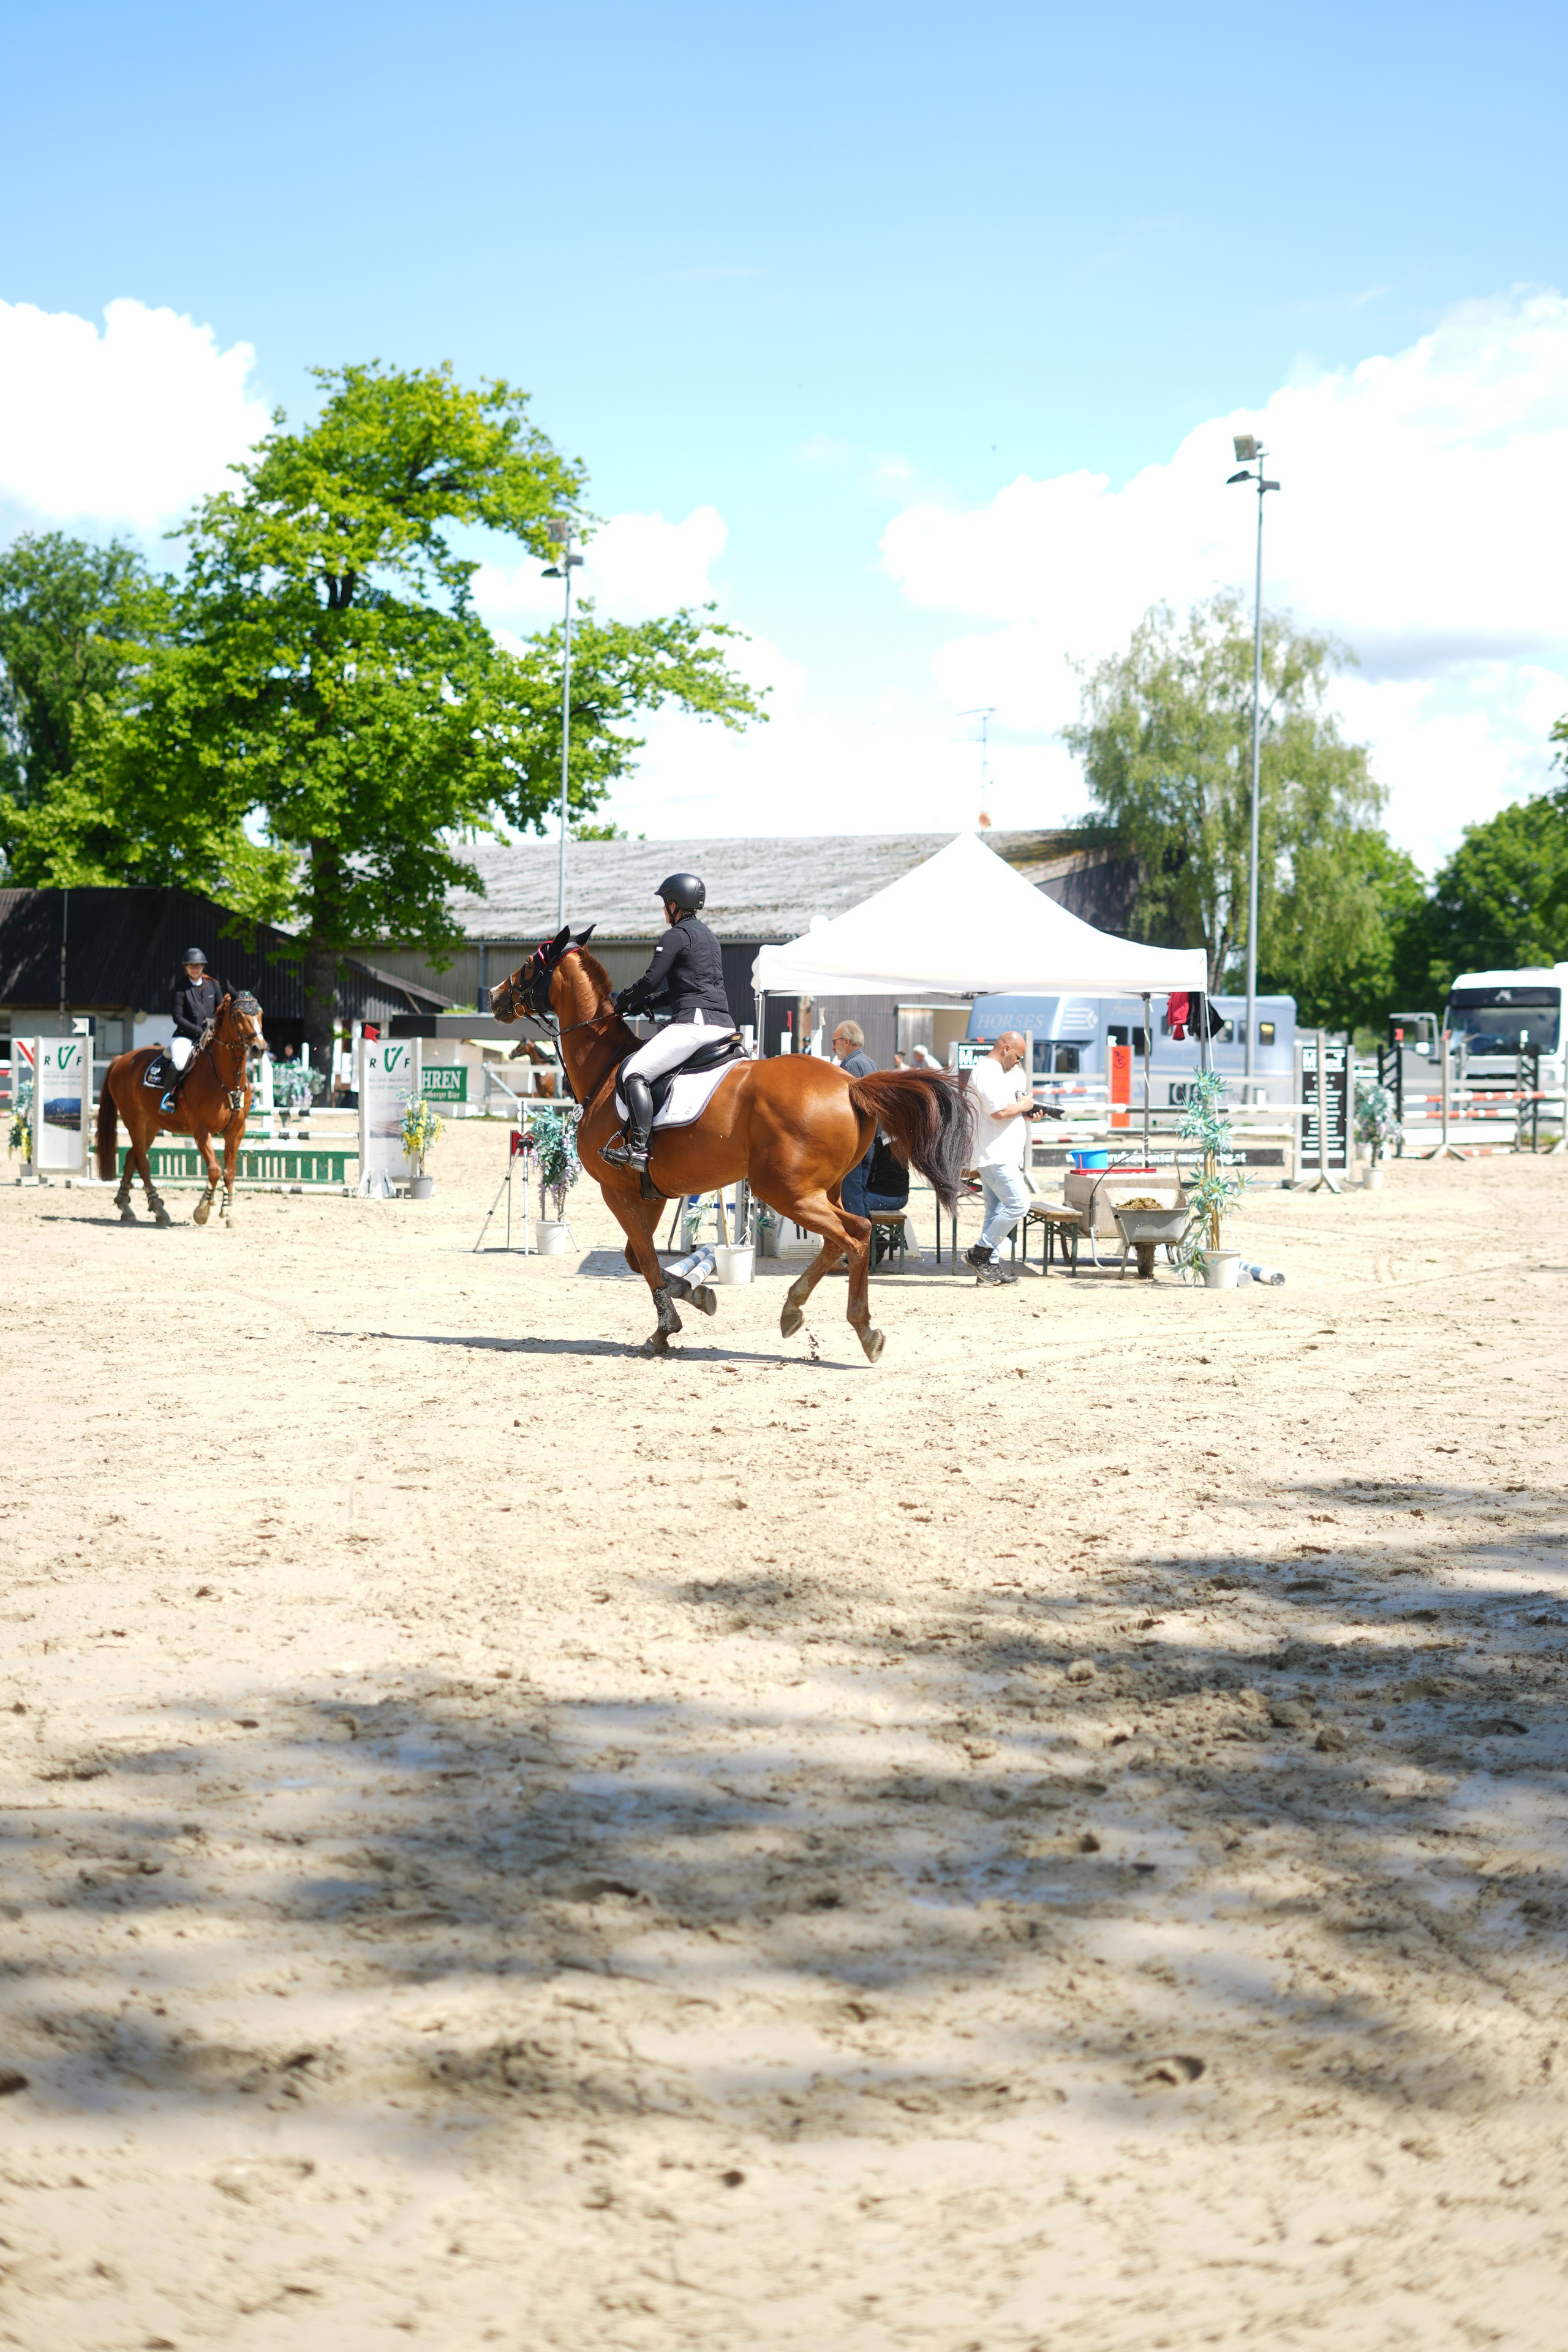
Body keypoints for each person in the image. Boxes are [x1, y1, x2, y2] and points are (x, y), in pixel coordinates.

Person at [602, 873, 737, 1170]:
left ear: (674, 905)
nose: (664, 910)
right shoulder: (710, 937)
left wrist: (624, 999)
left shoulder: (675, 936)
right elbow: (686, 988)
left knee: (634, 1073)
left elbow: (651, 980)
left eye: (665, 903)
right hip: (724, 1025)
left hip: (694, 1026)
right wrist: (647, 1004)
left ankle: (638, 1149)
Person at [963, 1029, 1044, 1284]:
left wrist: (1024, 1112)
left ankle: (989, 1266)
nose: (1018, 1062)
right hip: (995, 1154)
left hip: (999, 1152)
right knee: (1019, 1204)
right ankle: (980, 1252)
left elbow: (1005, 1109)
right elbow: (997, 1113)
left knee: (996, 1210)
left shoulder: (996, 1073)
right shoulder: (986, 1071)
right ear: (1006, 1049)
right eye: (1018, 1057)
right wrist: (1024, 1107)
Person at [162, 948, 225, 1112]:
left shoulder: (214, 985)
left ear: (203, 967)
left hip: (211, 1035)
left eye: (198, 966)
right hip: (186, 1036)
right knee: (181, 1062)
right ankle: (168, 1097)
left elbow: (222, 1010)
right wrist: (199, 1031)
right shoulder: (181, 988)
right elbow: (178, 1017)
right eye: (191, 966)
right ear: (186, 968)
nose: (195, 969)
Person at [832, 1020, 878, 1216]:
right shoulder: (870, 1063)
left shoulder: (851, 1065)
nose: (833, 1046)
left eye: (834, 1041)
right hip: (869, 1140)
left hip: (856, 1140)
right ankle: (865, 1242)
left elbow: (848, 1108)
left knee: (851, 1196)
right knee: (859, 1192)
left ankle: (858, 1243)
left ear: (846, 1041)